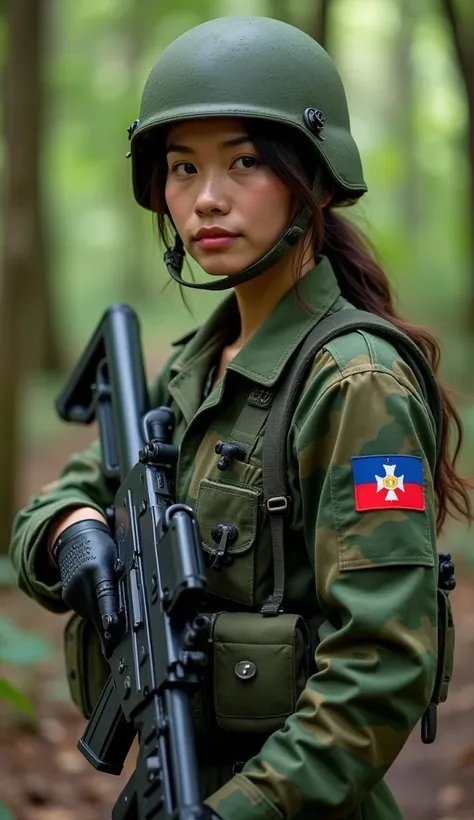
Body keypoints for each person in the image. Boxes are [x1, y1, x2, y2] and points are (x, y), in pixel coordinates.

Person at [9, 15, 471, 820]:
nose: (206, 198)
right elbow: (62, 497)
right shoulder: (194, 364)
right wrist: (73, 529)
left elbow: (382, 663)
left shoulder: (357, 383)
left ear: (313, 179)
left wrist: (231, 812)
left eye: (245, 162)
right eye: (182, 168)